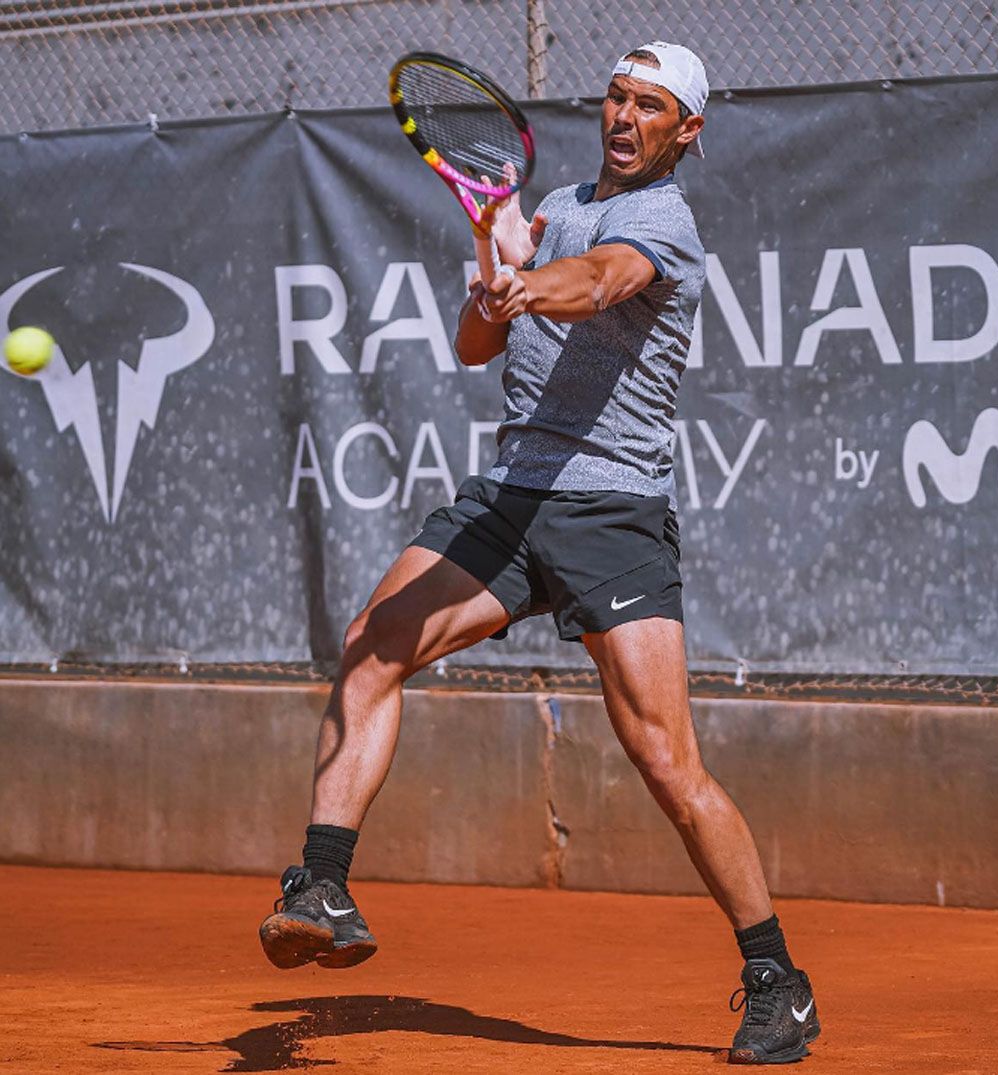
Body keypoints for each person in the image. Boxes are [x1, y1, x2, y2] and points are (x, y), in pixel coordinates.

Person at [258, 40, 820, 1065]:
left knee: (666, 760)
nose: (623, 116)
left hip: (612, 513)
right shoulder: (550, 205)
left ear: (685, 131)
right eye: (615, 96)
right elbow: (480, 347)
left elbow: (600, 282)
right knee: (372, 643)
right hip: (511, 498)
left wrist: (531, 275)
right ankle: (323, 883)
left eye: (650, 106)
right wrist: (493, 282)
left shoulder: (660, 224)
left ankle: (776, 975)